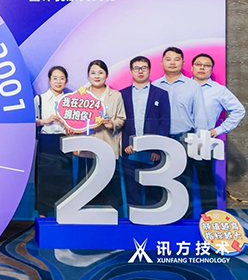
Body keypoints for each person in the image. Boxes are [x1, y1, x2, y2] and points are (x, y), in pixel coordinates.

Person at [153, 47, 208, 218]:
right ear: (162, 62)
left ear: (183, 62)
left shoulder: (192, 86)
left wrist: (200, 141)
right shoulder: (154, 86)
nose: (172, 62)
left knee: (185, 180)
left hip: (184, 138)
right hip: (161, 139)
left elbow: (200, 115)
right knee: (159, 179)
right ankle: (161, 217)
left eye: (176, 59)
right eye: (168, 59)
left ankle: (185, 219)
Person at [191, 53, 245, 212]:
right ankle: (182, 220)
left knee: (205, 182)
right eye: (198, 64)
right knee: (180, 181)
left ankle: (209, 218)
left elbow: (239, 110)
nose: (202, 68)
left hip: (204, 141)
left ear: (211, 69)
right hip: (180, 139)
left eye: (206, 65)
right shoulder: (183, 86)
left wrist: (218, 130)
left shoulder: (218, 90)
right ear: (192, 67)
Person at [76, 60, 126, 211]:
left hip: (108, 144)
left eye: (100, 72)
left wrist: (112, 123)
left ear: (106, 75)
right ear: (88, 76)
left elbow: (122, 119)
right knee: (86, 183)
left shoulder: (116, 96)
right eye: (93, 73)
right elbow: (74, 120)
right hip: (86, 147)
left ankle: (108, 216)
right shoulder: (80, 95)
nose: (97, 76)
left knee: (109, 185)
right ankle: (86, 216)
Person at [121, 56, 171, 207]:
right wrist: (125, 144)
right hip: (130, 149)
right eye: (136, 68)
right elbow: (120, 122)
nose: (140, 71)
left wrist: (157, 148)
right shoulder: (122, 94)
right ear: (131, 71)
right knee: (132, 188)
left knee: (153, 189)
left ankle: (153, 217)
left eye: (144, 68)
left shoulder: (161, 94)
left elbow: (164, 123)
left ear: (149, 70)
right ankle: (133, 217)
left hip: (152, 152)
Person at [34, 66, 72, 217]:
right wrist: (45, 120)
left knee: (64, 177)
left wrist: (71, 129)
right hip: (46, 141)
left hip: (65, 141)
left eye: (62, 78)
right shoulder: (40, 99)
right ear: (49, 80)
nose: (58, 82)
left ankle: (62, 214)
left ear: (66, 81)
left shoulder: (70, 100)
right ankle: (43, 214)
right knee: (44, 178)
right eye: (55, 78)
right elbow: (31, 121)